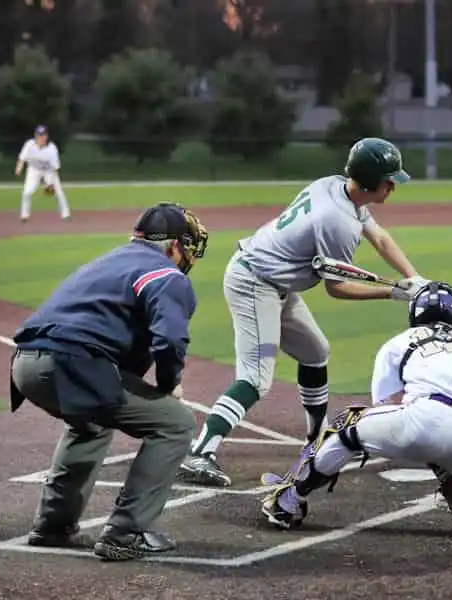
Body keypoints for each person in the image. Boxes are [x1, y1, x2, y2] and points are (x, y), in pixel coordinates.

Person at [176, 137, 431, 488]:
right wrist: (392, 292)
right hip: (254, 282)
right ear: (370, 181)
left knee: (315, 351)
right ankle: (200, 451)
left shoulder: (336, 186)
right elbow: (337, 288)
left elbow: (381, 238)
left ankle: (316, 437)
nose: (392, 187)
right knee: (255, 379)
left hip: (277, 282)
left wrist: (415, 278)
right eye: (388, 180)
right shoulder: (337, 221)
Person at [259, 282, 452, 556]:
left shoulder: (401, 342)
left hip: (425, 419)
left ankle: (288, 500)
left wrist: (437, 458)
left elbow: (386, 405)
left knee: (350, 424)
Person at [7, 202, 208, 561]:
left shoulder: (108, 260)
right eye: (187, 245)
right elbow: (169, 340)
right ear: (175, 246)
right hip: (73, 364)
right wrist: (169, 384)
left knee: (91, 422)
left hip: (25, 366)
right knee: (176, 423)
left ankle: (53, 526)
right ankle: (126, 532)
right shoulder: (168, 275)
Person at [15, 125, 72, 222]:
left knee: (58, 192)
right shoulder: (29, 144)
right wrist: (19, 168)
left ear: (46, 136)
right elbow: (22, 158)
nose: (40, 137)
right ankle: (24, 216)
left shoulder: (52, 148)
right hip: (34, 169)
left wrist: (49, 184)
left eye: (42, 135)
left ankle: (65, 215)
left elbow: (55, 168)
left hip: (49, 171)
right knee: (27, 192)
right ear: (35, 136)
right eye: (38, 135)